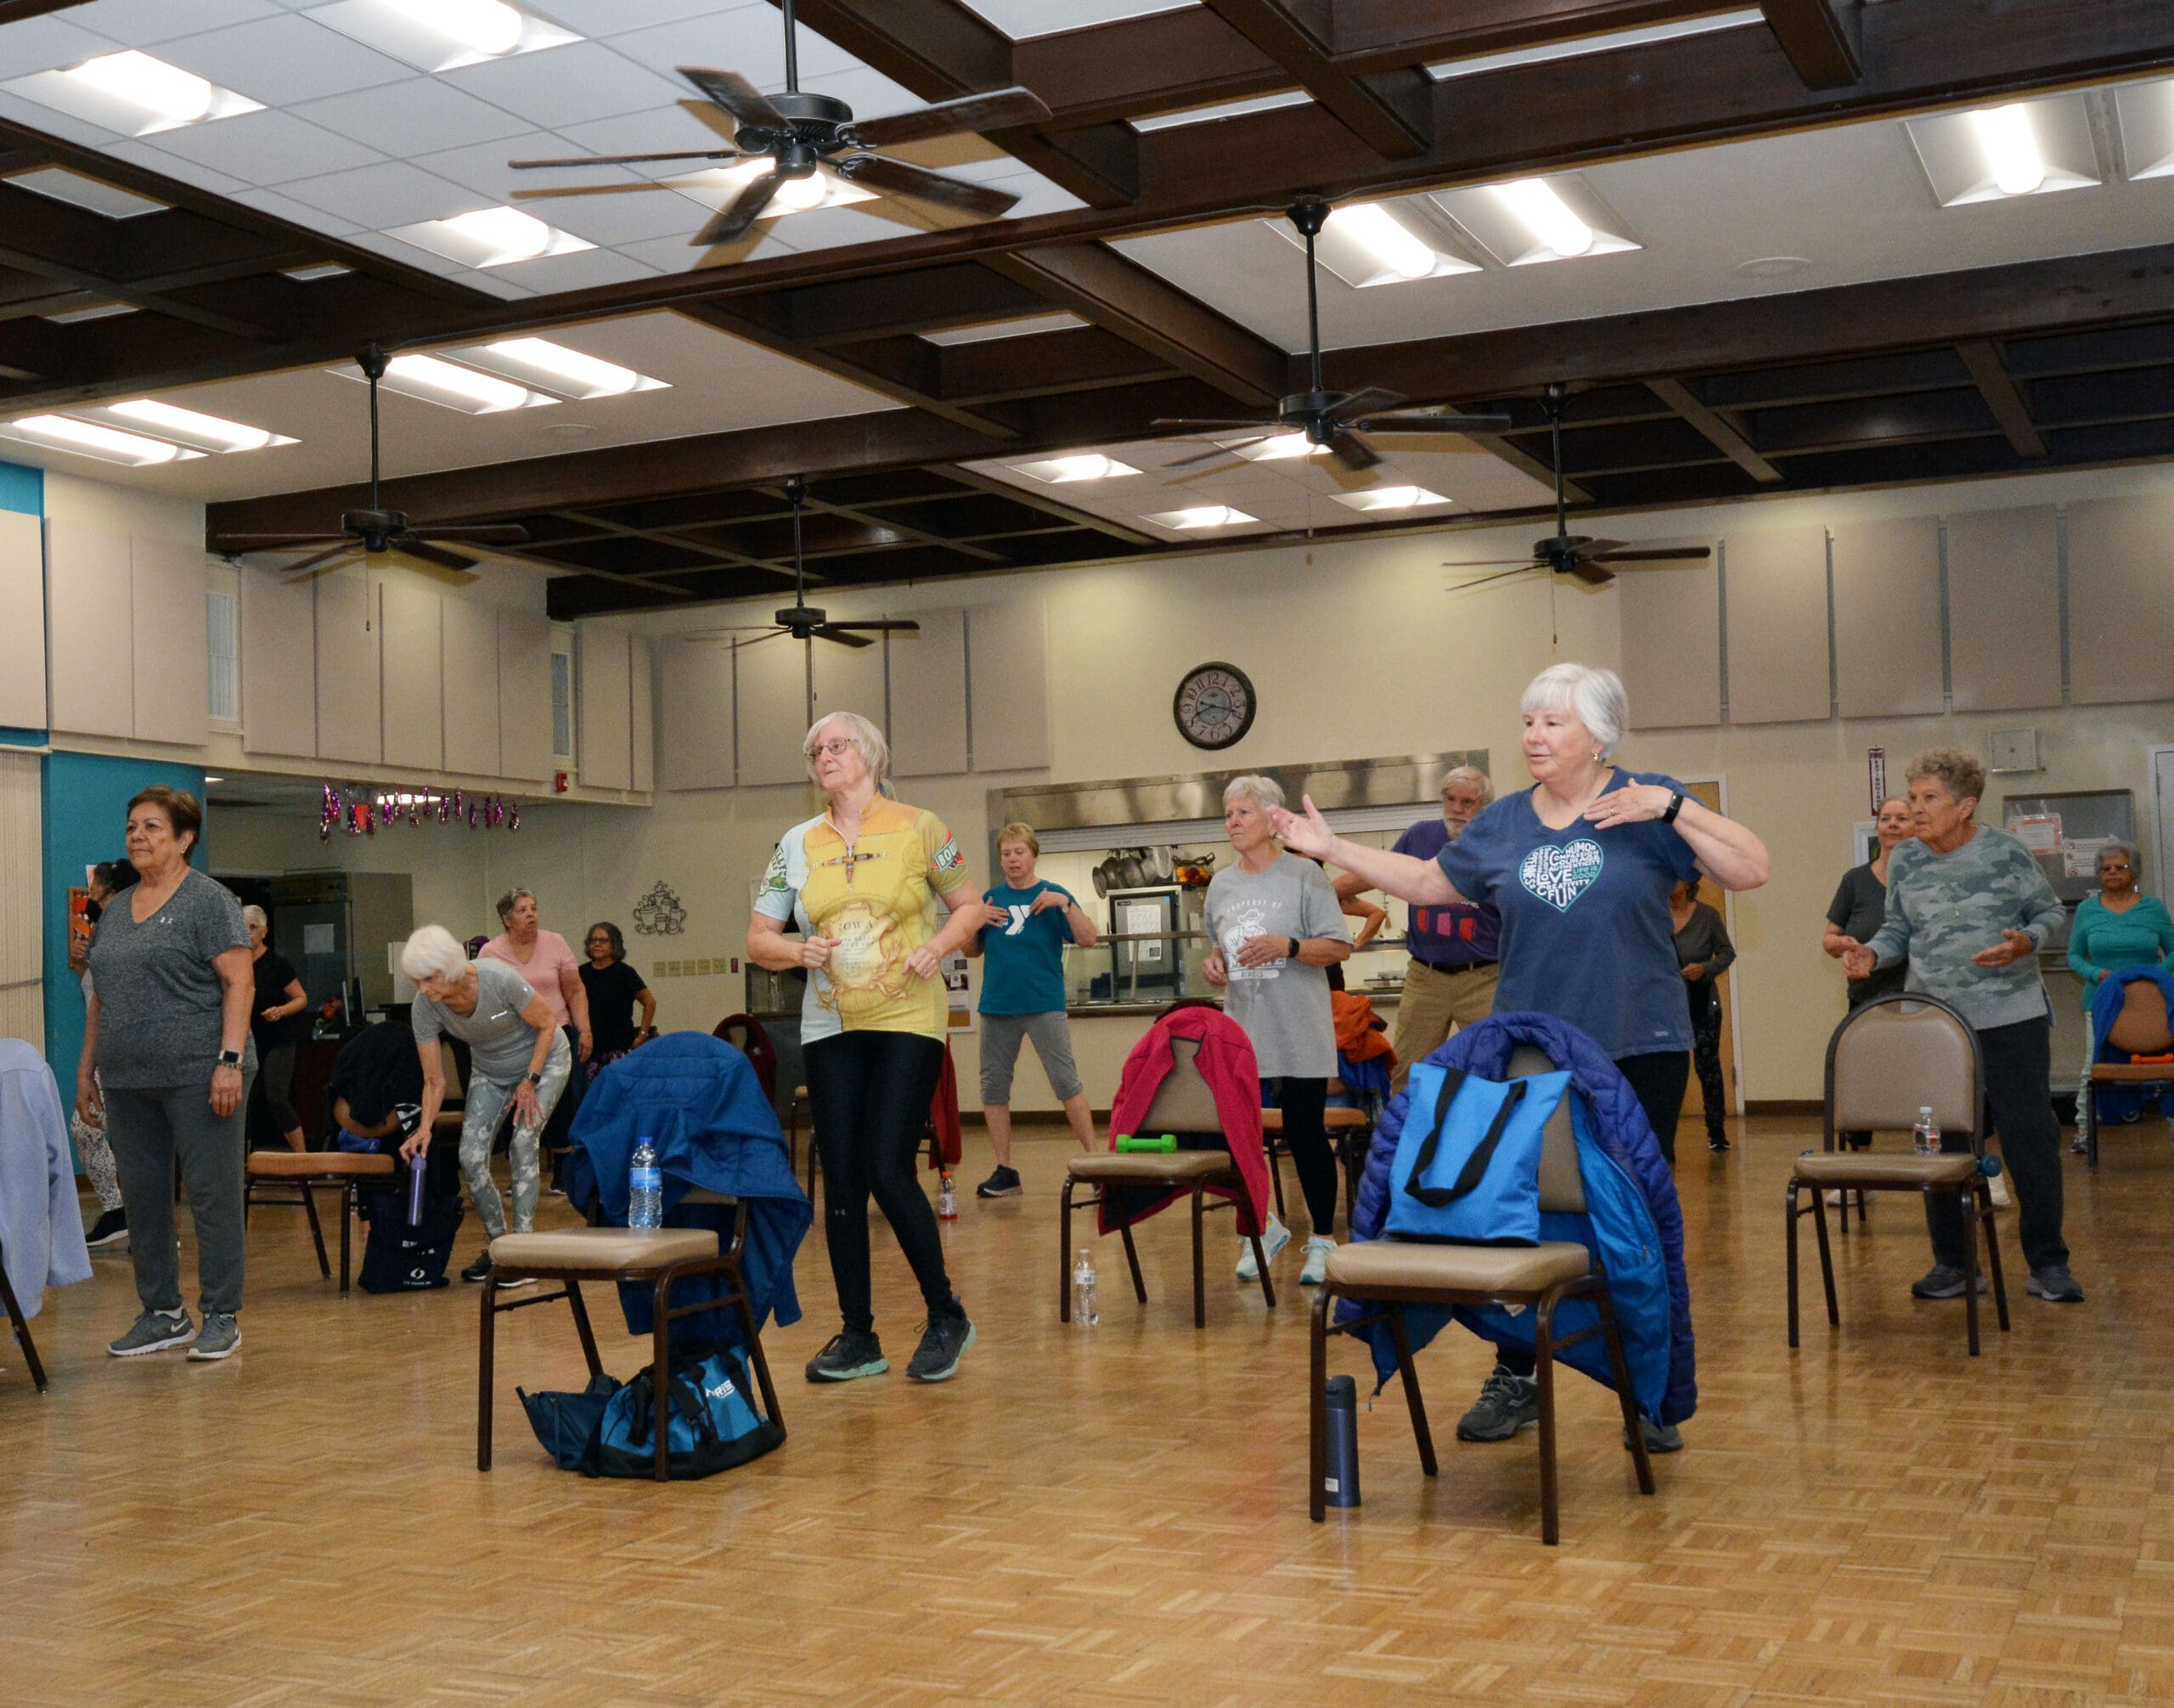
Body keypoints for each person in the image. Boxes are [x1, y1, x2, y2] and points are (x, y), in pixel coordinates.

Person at [1270, 662, 1769, 1451]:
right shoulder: (1503, 822)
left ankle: (1646, 1385)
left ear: (1598, 734)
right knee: (1520, 1213)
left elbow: (1751, 867)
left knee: (1630, 1220)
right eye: (1529, 721)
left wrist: (1672, 807)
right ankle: (1519, 1372)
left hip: (1640, 1045)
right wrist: (1336, 847)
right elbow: (1432, 882)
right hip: (1533, 1052)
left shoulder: (1647, 800)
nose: (1534, 735)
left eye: (1553, 722)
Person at [747, 712, 983, 1385]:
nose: (824, 755)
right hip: (830, 1023)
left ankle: (946, 1314)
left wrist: (938, 945)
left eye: (837, 744)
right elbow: (759, 937)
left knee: (886, 1165)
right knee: (843, 1179)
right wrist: (798, 948)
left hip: (908, 1015)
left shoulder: (923, 827)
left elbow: (969, 907)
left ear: (872, 754)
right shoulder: (794, 842)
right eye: (815, 749)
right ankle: (858, 1334)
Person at [1839, 748, 2083, 1305]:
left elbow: (2049, 912)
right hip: (1935, 1027)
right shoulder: (1903, 859)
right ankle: (1954, 1262)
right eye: (1913, 796)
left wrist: (2027, 940)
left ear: (1965, 806)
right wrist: (1870, 955)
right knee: (1937, 1142)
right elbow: (1897, 929)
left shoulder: (2005, 851)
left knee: (2030, 1139)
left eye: (1930, 799)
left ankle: (2048, 1263)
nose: (1915, 809)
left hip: (2010, 1016)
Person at [77, 788, 256, 1361]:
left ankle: (222, 1313)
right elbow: (101, 998)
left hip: (201, 1071)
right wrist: (87, 1070)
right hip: (127, 1077)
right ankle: (161, 1312)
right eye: (132, 826)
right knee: (145, 1198)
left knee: (211, 1193)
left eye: (153, 826)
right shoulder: (118, 909)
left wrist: (228, 1060)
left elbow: (240, 982)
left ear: (184, 839)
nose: (137, 836)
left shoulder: (209, 901)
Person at [1203, 775, 1353, 1288]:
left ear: (1272, 819)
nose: (1233, 823)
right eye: (1228, 815)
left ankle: (1323, 1240)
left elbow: (1337, 947)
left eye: (1243, 813)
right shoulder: (1221, 885)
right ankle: (1262, 1229)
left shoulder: (1305, 876)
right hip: (1245, 1029)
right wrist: (1216, 964)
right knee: (1240, 1136)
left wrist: (1287, 946)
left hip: (1299, 1027)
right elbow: (1220, 946)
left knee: (1305, 1133)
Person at [397, 924, 572, 1286]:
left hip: (545, 1061)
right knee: (471, 1158)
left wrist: (530, 1080)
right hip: (491, 1072)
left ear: (449, 968)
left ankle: (524, 1254)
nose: (424, 990)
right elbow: (434, 1080)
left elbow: (547, 1024)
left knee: (523, 1142)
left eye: (429, 979)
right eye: (417, 982)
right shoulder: (425, 1008)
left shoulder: (498, 979)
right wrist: (424, 1127)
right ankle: (499, 1248)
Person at [1337, 766, 1501, 1094]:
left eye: (1467, 802)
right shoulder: (1420, 836)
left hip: (1484, 979)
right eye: (1450, 800)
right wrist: (1326, 891)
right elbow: (1378, 873)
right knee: (1408, 1074)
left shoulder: (1501, 844)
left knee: (1493, 1073)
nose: (1456, 809)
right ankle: (1403, 1143)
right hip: (1425, 979)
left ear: (1485, 806)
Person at [960, 822, 1099, 1198]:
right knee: (993, 1088)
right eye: (1006, 853)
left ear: (1034, 856)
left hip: (1043, 1005)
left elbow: (1089, 938)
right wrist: (975, 924)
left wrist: (1065, 905)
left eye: (1019, 852)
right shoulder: (990, 898)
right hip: (997, 1007)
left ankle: (1097, 1163)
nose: (1012, 859)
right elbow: (971, 951)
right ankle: (1006, 1170)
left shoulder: (1054, 895)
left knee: (1066, 1083)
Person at [2066, 839, 2174, 1147]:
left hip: (2153, 1004)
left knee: (2168, 1064)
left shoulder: (2153, 908)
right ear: (2099, 875)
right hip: (2102, 1001)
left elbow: (2173, 951)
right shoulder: (2087, 910)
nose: (2113, 873)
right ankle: (2085, 1131)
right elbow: (2073, 956)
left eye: (2121, 867)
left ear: (2134, 872)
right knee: (2092, 1066)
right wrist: (2095, 974)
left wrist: (2152, 978)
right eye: (2106, 869)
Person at [1822, 796, 1916, 1150]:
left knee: (1938, 1076)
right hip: (1867, 999)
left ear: (1917, 826)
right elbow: (1829, 938)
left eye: (1901, 818)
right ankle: (1858, 1162)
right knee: (1860, 1082)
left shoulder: (1927, 880)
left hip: (1920, 1000)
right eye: (1886, 818)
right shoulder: (1855, 880)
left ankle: (1964, 1162)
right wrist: (1840, 944)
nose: (1892, 824)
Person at [480, 888, 591, 1167]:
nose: (531, 914)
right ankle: (519, 1169)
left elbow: (575, 990)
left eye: (534, 908)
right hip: (514, 1039)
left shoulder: (556, 943)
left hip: (558, 1032)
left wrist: (584, 1030)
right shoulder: (491, 952)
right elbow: (486, 1000)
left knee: (565, 1101)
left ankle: (564, 1173)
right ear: (507, 919)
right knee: (516, 1103)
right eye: (522, 910)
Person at [69, 859, 137, 1249]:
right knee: (87, 1129)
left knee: (103, 1131)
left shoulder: (125, 929)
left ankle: (135, 1217)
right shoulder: (101, 932)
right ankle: (119, 1213)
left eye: (96, 886)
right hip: (103, 1050)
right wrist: (83, 965)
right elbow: (95, 994)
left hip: (125, 1051)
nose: (89, 890)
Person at [1670, 879, 1738, 1153]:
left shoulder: (1708, 915)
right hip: (1665, 1006)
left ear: (1687, 884)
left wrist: (1705, 968)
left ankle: (1717, 1132)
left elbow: (1727, 953)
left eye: (1675, 876)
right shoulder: (1654, 913)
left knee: (1708, 1068)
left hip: (1702, 1003)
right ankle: (1665, 1137)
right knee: (1669, 1071)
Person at [241, 905, 311, 1153]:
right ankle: (243, 1166)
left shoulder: (276, 963)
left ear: (264, 932)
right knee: (244, 1102)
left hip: (278, 1039)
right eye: (243, 926)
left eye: (253, 927)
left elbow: (301, 998)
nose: (247, 932)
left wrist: (280, 1011)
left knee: (276, 1097)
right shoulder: (236, 962)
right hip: (247, 1041)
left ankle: (302, 1159)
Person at [578, 922, 656, 1082]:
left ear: (614, 944)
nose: (597, 944)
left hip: (619, 1046)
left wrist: (642, 1035)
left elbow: (649, 1002)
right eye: (593, 940)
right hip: (589, 1048)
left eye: (603, 940)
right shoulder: (581, 973)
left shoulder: (625, 973)